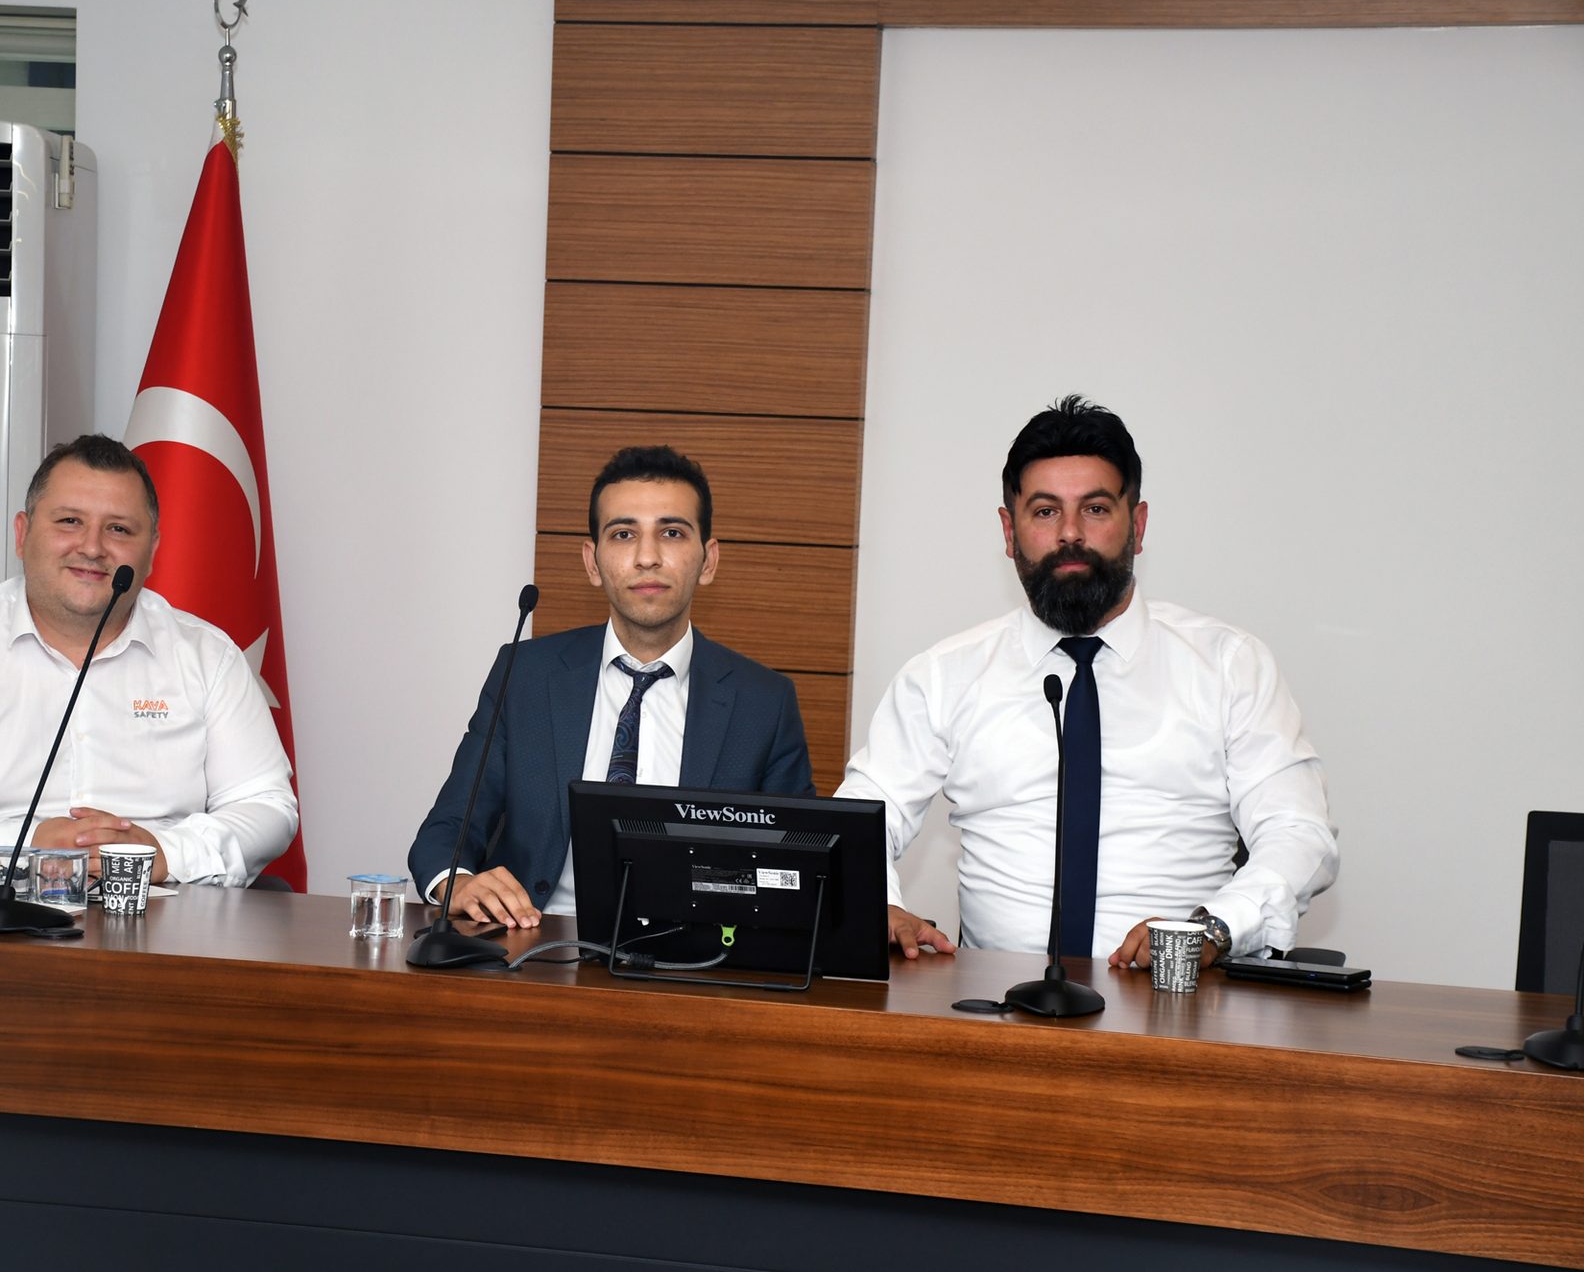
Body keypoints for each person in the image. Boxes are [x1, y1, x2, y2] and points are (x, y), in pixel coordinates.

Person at [837, 397, 1338, 965]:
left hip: (1179, 1004)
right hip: (993, 1009)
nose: (1070, 534)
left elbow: (1299, 835)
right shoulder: (944, 675)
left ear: (1138, 524)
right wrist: (873, 903)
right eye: (1045, 511)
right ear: (1009, 530)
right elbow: (859, 821)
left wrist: (1214, 928)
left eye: (1096, 509)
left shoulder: (1231, 665)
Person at [0, 434, 298, 886]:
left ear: (153, 550)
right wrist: (22, 847)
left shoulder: (208, 656)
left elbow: (267, 806)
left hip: (164, 920)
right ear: (22, 534)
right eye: (69, 521)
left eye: (119, 529)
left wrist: (164, 853)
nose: (93, 548)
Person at [409, 445, 815, 928]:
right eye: (623, 534)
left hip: (693, 956)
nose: (647, 557)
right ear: (593, 561)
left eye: (671, 532)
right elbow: (448, 830)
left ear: (708, 561)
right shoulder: (526, 674)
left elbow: (797, 868)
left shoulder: (762, 702)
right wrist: (457, 882)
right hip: (536, 945)